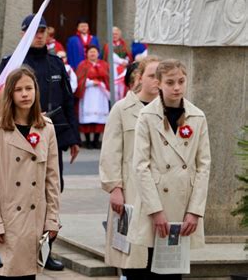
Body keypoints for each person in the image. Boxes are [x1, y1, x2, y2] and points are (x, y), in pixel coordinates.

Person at [0, 14, 80, 271]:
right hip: (16, 135)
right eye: (34, 31)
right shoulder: (13, 62)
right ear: (24, 34)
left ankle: (45, 250)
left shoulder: (56, 64)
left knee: (51, 189)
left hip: (48, 133)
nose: (39, 35)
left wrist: (74, 137)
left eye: (43, 30)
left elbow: (67, 101)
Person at [127, 59, 211, 279]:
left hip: (183, 206)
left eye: (181, 81)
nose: (176, 87)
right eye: (170, 82)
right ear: (159, 84)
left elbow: (203, 166)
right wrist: (155, 210)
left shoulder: (197, 117)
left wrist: (195, 211)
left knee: (174, 270)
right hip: (153, 204)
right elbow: (140, 166)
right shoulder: (147, 116)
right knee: (150, 267)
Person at [0, 67, 61, 279]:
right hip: (7, 220)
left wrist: (52, 219)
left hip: (34, 219)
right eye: (19, 89)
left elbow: (52, 179)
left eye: (29, 88)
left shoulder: (46, 128)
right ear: (10, 94)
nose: (25, 94)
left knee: (28, 275)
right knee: (3, 273)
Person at [99, 56, 161, 279]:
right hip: (131, 193)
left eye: (160, 76)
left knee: (159, 259)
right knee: (133, 258)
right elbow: (111, 152)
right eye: (152, 76)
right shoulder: (123, 109)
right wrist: (115, 187)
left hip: (160, 193)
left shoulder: (169, 109)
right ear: (139, 77)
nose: (157, 81)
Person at [75, 45, 110, 149]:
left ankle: (96, 140)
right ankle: (88, 141)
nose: (93, 54)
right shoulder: (83, 65)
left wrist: (101, 81)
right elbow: (79, 79)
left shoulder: (104, 64)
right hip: (88, 93)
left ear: (98, 53)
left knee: (99, 118)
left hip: (100, 94)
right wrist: (90, 82)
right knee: (88, 118)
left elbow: (108, 78)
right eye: (91, 52)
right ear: (87, 53)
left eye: (94, 52)